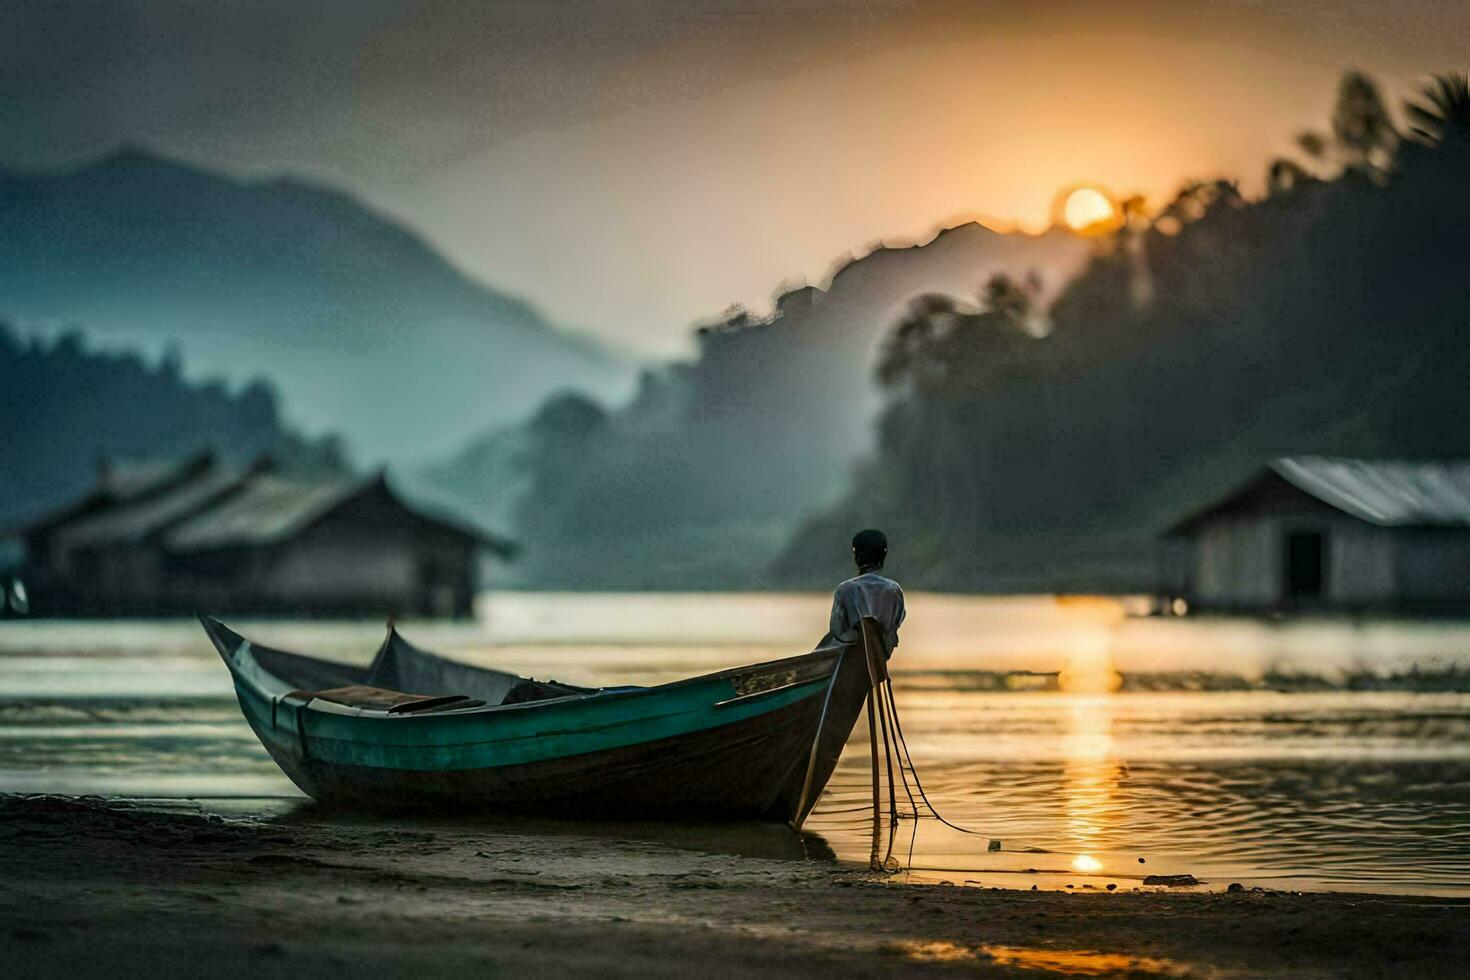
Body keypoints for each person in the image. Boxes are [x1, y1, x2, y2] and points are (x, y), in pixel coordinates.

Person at [825, 528, 905, 656]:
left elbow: (836, 630)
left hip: (848, 658)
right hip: (880, 657)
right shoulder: (894, 590)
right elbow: (896, 624)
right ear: (883, 555)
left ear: (857, 557)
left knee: (826, 642)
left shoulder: (844, 589)